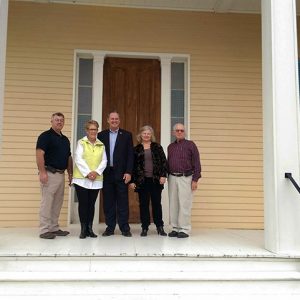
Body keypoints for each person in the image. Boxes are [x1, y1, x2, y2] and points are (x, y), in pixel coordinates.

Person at [36, 112, 73, 239]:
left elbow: (68, 157)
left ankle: (54, 227)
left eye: (61, 120)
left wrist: (70, 174)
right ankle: (44, 229)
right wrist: (42, 172)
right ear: (51, 121)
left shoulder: (65, 139)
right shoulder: (45, 136)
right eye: (56, 120)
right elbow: (39, 154)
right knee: (47, 202)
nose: (59, 122)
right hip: (49, 173)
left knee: (57, 202)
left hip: (61, 174)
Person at [97, 111, 134, 237]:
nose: (114, 121)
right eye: (112, 119)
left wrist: (129, 172)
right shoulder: (101, 135)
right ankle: (110, 227)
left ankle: (125, 228)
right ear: (108, 120)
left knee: (123, 202)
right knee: (108, 202)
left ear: (119, 120)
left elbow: (130, 155)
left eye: (116, 119)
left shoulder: (127, 135)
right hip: (106, 173)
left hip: (122, 174)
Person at [129, 126, 168, 237]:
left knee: (156, 204)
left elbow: (164, 162)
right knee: (144, 205)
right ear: (140, 135)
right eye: (144, 133)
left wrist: (163, 175)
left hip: (156, 180)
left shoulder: (157, 147)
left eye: (148, 133)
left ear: (151, 135)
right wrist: (132, 181)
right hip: (142, 181)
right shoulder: (136, 149)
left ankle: (159, 227)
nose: (146, 135)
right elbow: (132, 166)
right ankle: (144, 227)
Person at [72, 120, 107, 239]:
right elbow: (78, 158)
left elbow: (104, 161)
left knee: (91, 205)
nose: (93, 131)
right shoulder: (81, 142)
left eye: (95, 129)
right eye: (91, 129)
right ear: (87, 130)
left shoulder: (101, 144)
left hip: (96, 179)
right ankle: (83, 230)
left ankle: (89, 229)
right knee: (83, 204)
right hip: (81, 178)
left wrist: (96, 172)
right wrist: (88, 173)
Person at [167, 123, 201, 238]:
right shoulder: (170, 147)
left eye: (182, 130)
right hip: (172, 177)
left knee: (184, 204)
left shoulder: (191, 145)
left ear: (184, 132)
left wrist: (195, 179)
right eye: (177, 130)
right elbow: (168, 163)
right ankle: (175, 228)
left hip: (186, 178)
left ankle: (184, 229)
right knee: (174, 204)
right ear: (173, 132)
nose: (179, 132)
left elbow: (197, 163)